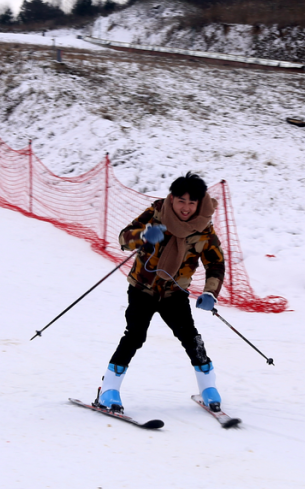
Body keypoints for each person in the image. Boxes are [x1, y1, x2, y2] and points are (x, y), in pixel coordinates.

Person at [95, 172, 227, 413]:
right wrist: (143, 237)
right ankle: (109, 391)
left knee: (191, 338)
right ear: (172, 198)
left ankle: (208, 388)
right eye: (181, 200)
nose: (185, 207)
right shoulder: (156, 214)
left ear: (199, 203)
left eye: (192, 202)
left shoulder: (204, 229)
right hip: (142, 289)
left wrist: (210, 292)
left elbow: (215, 263)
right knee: (134, 336)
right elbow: (124, 238)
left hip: (174, 293)